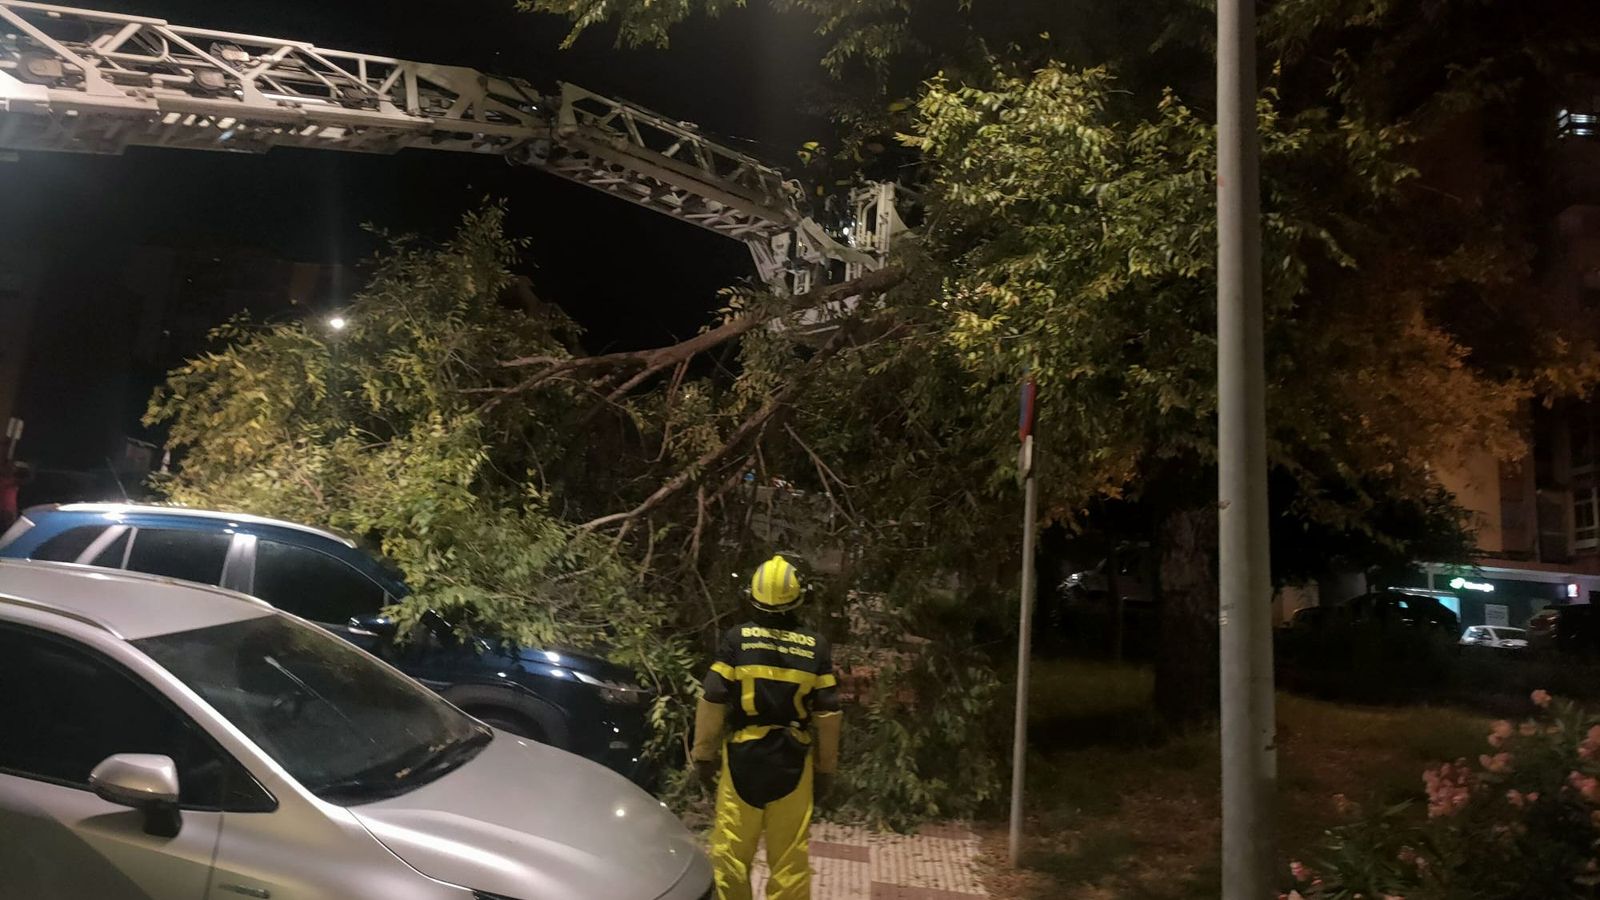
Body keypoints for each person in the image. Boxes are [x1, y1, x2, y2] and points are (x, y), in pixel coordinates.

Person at [692, 554, 842, 900]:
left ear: (752, 596)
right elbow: (828, 710)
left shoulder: (736, 640)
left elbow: (713, 694)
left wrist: (704, 756)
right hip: (793, 762)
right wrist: (826, 771)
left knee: (730, 858)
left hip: (743, 760)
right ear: (800, 598)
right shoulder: (815, 647)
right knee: (790, 864)